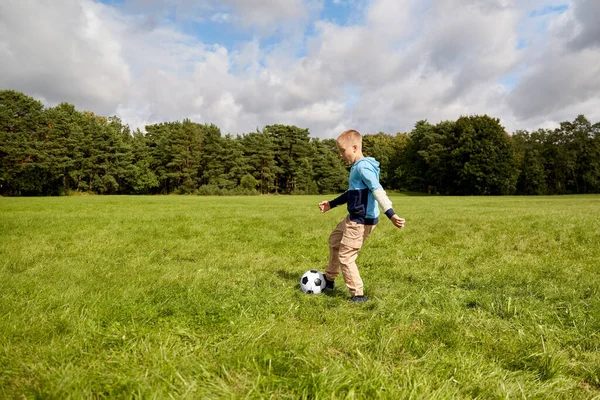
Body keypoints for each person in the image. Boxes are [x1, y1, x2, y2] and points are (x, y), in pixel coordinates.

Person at [318, 129, 405, 303]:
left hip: (360, 221)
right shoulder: (357, 167)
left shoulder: (364, 167)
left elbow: (377, 190)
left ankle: (358, 295)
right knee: (335, 240)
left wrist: (391, 213)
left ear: (355, 147)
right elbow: (351, 193)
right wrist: (331, 204)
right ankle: (329, 279)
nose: (341, 155)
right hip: (353, 217)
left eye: (343, 151)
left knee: (346, 256)